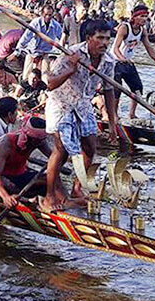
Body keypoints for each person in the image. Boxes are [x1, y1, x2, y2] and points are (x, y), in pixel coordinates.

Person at [42, 20, 119, 213]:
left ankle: (77, 188)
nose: (104, 43)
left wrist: (112, 123)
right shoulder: (71, 54)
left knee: (90, 147)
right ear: (89, 38)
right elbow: (50, 84)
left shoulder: (108, 61)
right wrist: (71, 69)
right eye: (99, 38)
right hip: (61, 103)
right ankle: (49, 196)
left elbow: (109, 91)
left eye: (107, 39)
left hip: (83, 104)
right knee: (61, 150)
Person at [110, 5, 155, 120]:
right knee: (117, 89)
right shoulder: (124, 28)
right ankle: (114, 115)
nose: (144, 19)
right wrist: (122, 59)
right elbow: (115, 49)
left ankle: (132, 114)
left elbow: (149, 48)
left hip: (127, 62)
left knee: (138, 88)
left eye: (146, 17)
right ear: (135, 17)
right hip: (115, 62)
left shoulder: (143, 31)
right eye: (142, 16)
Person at [0, 116, 51, 208]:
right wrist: (5, 197)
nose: (41, 143)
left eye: (41, 141)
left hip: (20, 176)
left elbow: (54, 156)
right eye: (38, 141)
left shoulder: (38, 141)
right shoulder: (5, 143)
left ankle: (60, 201)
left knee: (50, 178)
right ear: (31, 138)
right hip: (2, 179)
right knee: (9, 185)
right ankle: (27, 200)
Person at [16, 5, 62, 80]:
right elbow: (25, 38)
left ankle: (43, 89)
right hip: (32, 51)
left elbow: (63, 39)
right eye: (46, 15)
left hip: (45, 52)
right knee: (26, 76)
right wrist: (17, 51)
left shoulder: (56, 26)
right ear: (42, 14)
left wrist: (66, 50)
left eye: (50, 15)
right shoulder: (35, 23)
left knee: (45, 75)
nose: (48, 17)